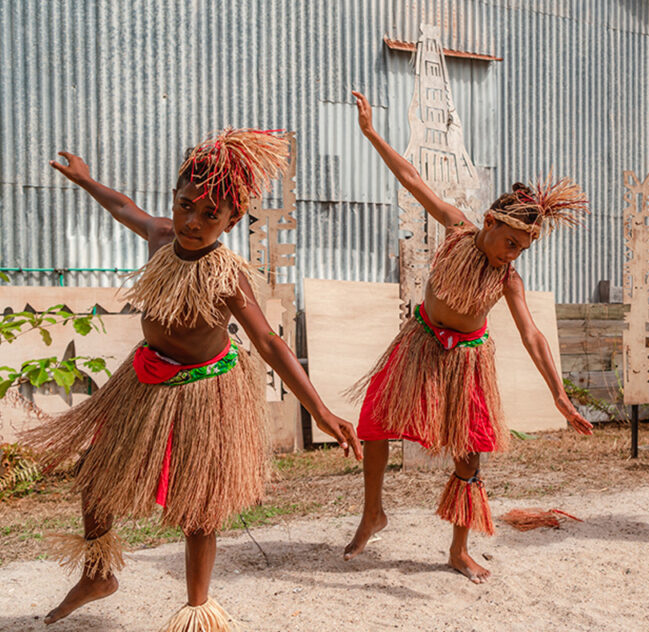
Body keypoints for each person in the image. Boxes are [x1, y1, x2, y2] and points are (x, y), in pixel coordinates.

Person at [25, 130, 362, 631]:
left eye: (210, 215)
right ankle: (98, 574)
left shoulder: (227, 276)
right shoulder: (162, 237)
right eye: (186, 206)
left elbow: (269, 341)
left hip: (205, 390)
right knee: (95, 475)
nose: (193, 222)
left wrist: (321, 411)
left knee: (199, 505)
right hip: (145, 380)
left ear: (232, 220)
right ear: (175, 200)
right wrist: (87, 180)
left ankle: (197, 609)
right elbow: (125, 208)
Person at [342, 91, 593, 582]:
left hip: (466, 363)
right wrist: (372, 133)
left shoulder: (507, 279)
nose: (512, 255)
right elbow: (412, 180)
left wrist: (559, 394)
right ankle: (373, 512)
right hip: (420, 344)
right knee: (374, 423)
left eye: (521, 249)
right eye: (509, 243)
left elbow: (533, 335)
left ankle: (459, 550)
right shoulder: (456, 229)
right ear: (491, 223)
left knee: (468, 455)